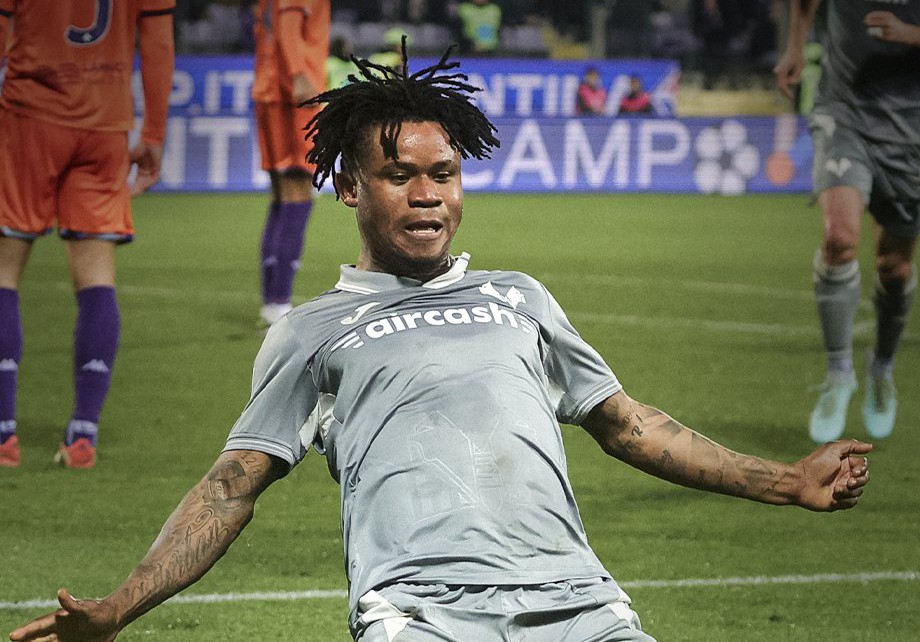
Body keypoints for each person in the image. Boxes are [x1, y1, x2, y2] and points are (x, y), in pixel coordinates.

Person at [9, 45, 872, 642]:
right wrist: (120, 607)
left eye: (444, 174)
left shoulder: (519, 297)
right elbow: (230, 488)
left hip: (581, 605)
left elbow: (630, 426)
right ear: (349, 187)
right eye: (400, 175)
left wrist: (789, 481)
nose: (428, 195)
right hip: (421, 615)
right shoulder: (311, 331)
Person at [774, 0, 920, 444]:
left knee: (895, 267)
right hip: (842, 109)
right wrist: (796, 45)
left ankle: (881, 367)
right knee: (839, 239)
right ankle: (838, 374)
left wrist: (910, 33)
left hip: (911, 125)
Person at [0, 0, 175, 469]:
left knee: (4, 271)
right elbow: (158, 42)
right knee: (97, 277)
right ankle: (83, 435)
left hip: (28, 117)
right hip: (105, 124)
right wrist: (154, 133)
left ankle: (4, 435)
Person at [253, 0, 331, 327]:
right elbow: (288, 25)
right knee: (299, 194)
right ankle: (279, 302)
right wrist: (299, 75)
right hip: (291, 95)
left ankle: (272, 300)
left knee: (283, 197)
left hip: (270, 88)